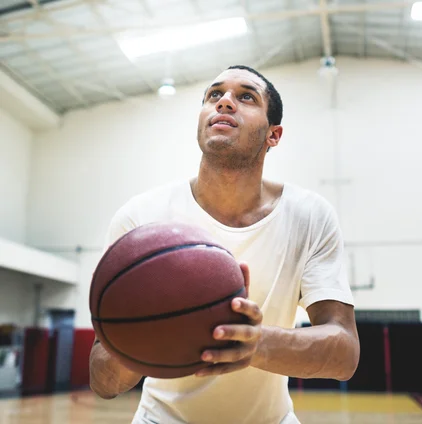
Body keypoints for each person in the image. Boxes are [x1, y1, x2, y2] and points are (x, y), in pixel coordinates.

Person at [89, 65, 360, 424]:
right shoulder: (141, 217)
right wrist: (139, 338)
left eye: (246, 96)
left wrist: (255, 342)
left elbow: (344, 352)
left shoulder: (309, 215)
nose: (225, 102)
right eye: (214, 95)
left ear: (273, 135)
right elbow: (102, 381)